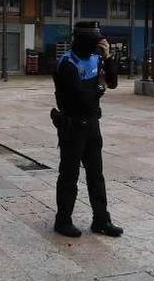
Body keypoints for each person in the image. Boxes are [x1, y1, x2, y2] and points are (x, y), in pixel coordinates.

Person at [50, 21, 123, 238]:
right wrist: (99, 87)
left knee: (96, 175)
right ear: (81, 40)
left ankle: (101, 220)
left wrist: (108, 57)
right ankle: (63, 221)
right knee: (69, 176)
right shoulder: (67, 63)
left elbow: (113, 82)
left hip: (92, 126)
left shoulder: (96, 58)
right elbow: (81, 99)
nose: (98, 43)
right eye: (94, 40)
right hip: (72, 127)